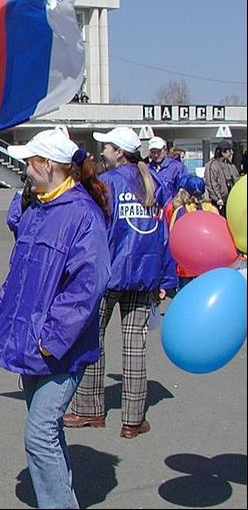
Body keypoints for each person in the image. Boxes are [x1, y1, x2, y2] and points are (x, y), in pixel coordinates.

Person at [0, 128, 111, 509]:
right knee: (47, 430)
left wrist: (51, 337)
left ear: (48, 165)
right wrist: (3, 314)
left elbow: (88, 285)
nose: (25, 170)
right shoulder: (38, 207)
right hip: (30, 341)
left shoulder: (82, 214)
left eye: (30, 163)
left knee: (39, 433)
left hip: (60, 349)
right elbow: (18, 266)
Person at [65, 127, 177, 440]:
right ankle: (133, 419)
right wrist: (167, 277)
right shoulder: (154, 182)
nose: (102, 151)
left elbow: (92, 226)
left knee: (92, 339)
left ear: (118, 152)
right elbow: (164, 234)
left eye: (106, 146)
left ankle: (90, 409)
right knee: (135, 347)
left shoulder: (108, 183)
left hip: (109, 274)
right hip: (145, 274)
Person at [168, 174, 219, 290]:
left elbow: (172, 237)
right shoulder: (212, 210)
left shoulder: (181, 212)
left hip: (186, 265)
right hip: (209, 264)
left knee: (185, 294)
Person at [204, 140, 239, 216]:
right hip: (219, 202)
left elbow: (236, 179)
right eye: (230, 151)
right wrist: (218, 198)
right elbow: (211, 183)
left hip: (230, 200)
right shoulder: (212, 165)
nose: (232, 153)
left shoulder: (230, 165)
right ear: (223, 152)